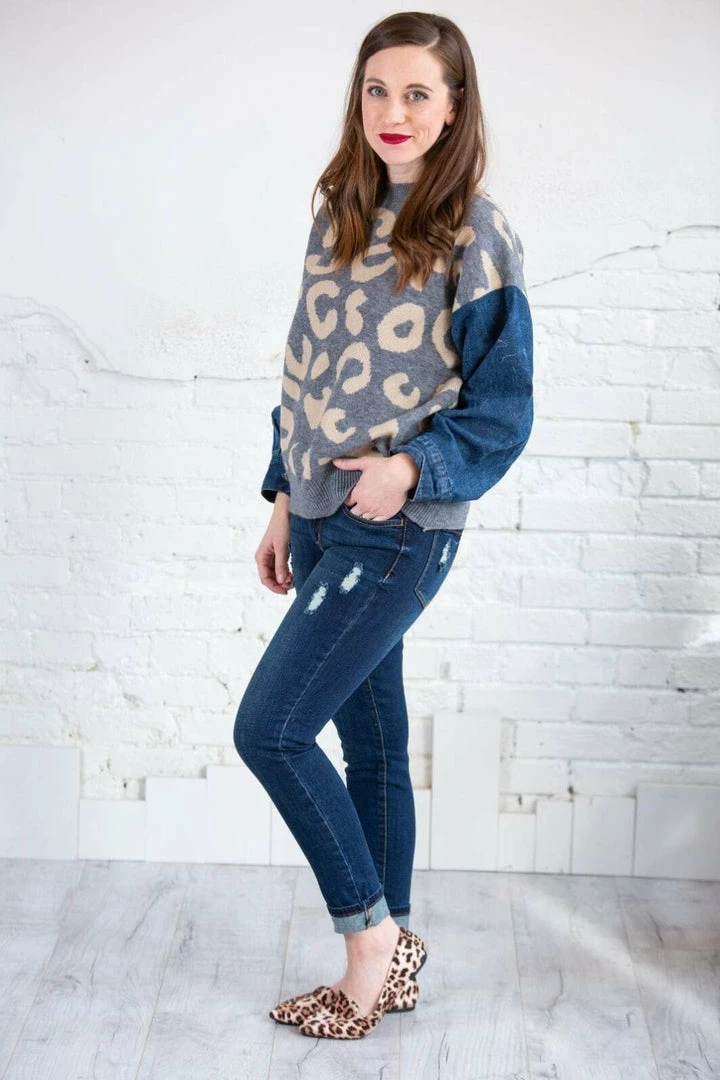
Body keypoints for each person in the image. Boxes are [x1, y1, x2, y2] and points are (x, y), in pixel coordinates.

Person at [233, 11, 533, 1040]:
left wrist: (411, 469)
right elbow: (303, 368)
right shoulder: (338, 214)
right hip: (323, 514)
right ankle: (394, 952)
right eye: (377, 90)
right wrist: (283, 496)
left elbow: (504, 406)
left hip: (402, 525)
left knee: (270, 730)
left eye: (416, 93)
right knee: (370, 745)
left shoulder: (478, 233)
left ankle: (370, 945)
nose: (393, 111)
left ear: (453, 108)